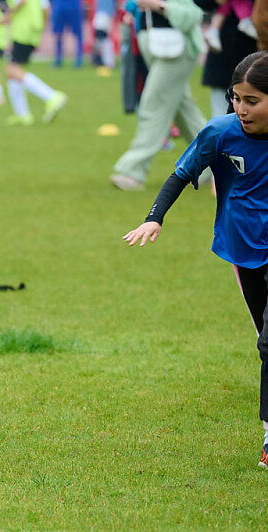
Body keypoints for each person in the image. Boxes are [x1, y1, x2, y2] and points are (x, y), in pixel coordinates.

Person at [123, 50, 268, 469]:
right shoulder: (220, 132)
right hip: (243, 249)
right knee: (266, 342)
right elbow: (182, 173)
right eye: (236, 98)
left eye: (252, 100)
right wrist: (154, 218)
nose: (241, 108)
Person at [110, 0, 208, 190]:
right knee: (185, 113)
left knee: (152, 106)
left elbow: (192, 15)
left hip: (176, 53)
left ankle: (132, 171)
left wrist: (158, 6)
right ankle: (218, 163)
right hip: (159, 50)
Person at [5, 0, 68, 125]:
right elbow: (46, 9)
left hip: (22, 32)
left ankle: (52, 96)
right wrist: (41, 29)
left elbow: (21, 2)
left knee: (13, 71)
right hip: (33, 32)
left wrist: (8, 15)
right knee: (13, 72)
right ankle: (22, 115)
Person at [51, 0, 84, 68]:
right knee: (58, 33)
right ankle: (58, 59)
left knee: (78, 34)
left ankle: (79, 59)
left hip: (73, 6)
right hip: (60, 6)